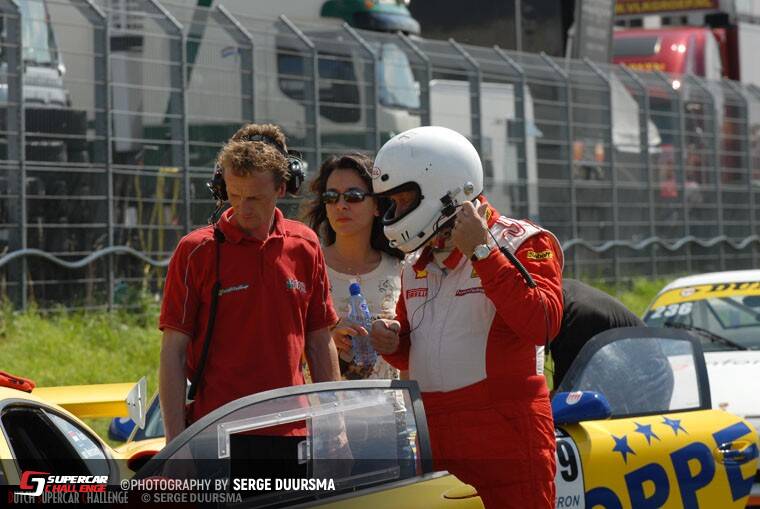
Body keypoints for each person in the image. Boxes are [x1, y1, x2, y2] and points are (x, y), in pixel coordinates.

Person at [366, 126, 564, 508]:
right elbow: (414, 352)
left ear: (442, 187)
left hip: (506, 434)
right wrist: (393, 340)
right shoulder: (415, 262)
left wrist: (482, 253)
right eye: (391, 203)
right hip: (432, 430)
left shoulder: (523, 240)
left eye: (403, 201)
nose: (395, 213)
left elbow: (542, 324)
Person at [158, 123, 341, 453]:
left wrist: (336, 424)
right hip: (216, 434)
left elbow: (319, 341)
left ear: (282, 188)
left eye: (255, 197)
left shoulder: (305, 245)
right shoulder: (195, 251)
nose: (243, 207)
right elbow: (173, 352)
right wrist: (176, 443)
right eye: (234, 194)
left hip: (294, 431)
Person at [303, 153, 405, 380]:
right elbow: (285, 344)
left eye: (353, 196)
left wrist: (397, 338)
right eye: (331, 197)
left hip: (391, 401)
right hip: (326, 401)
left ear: (377, 205)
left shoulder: (403, 270)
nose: (341, 205)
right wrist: (327, 339)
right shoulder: (306, 267)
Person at [549, 279, 644, 389]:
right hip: (623, 365)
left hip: (645, 373)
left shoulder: (575, 319)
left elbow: (566, 391)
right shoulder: (556, 293)